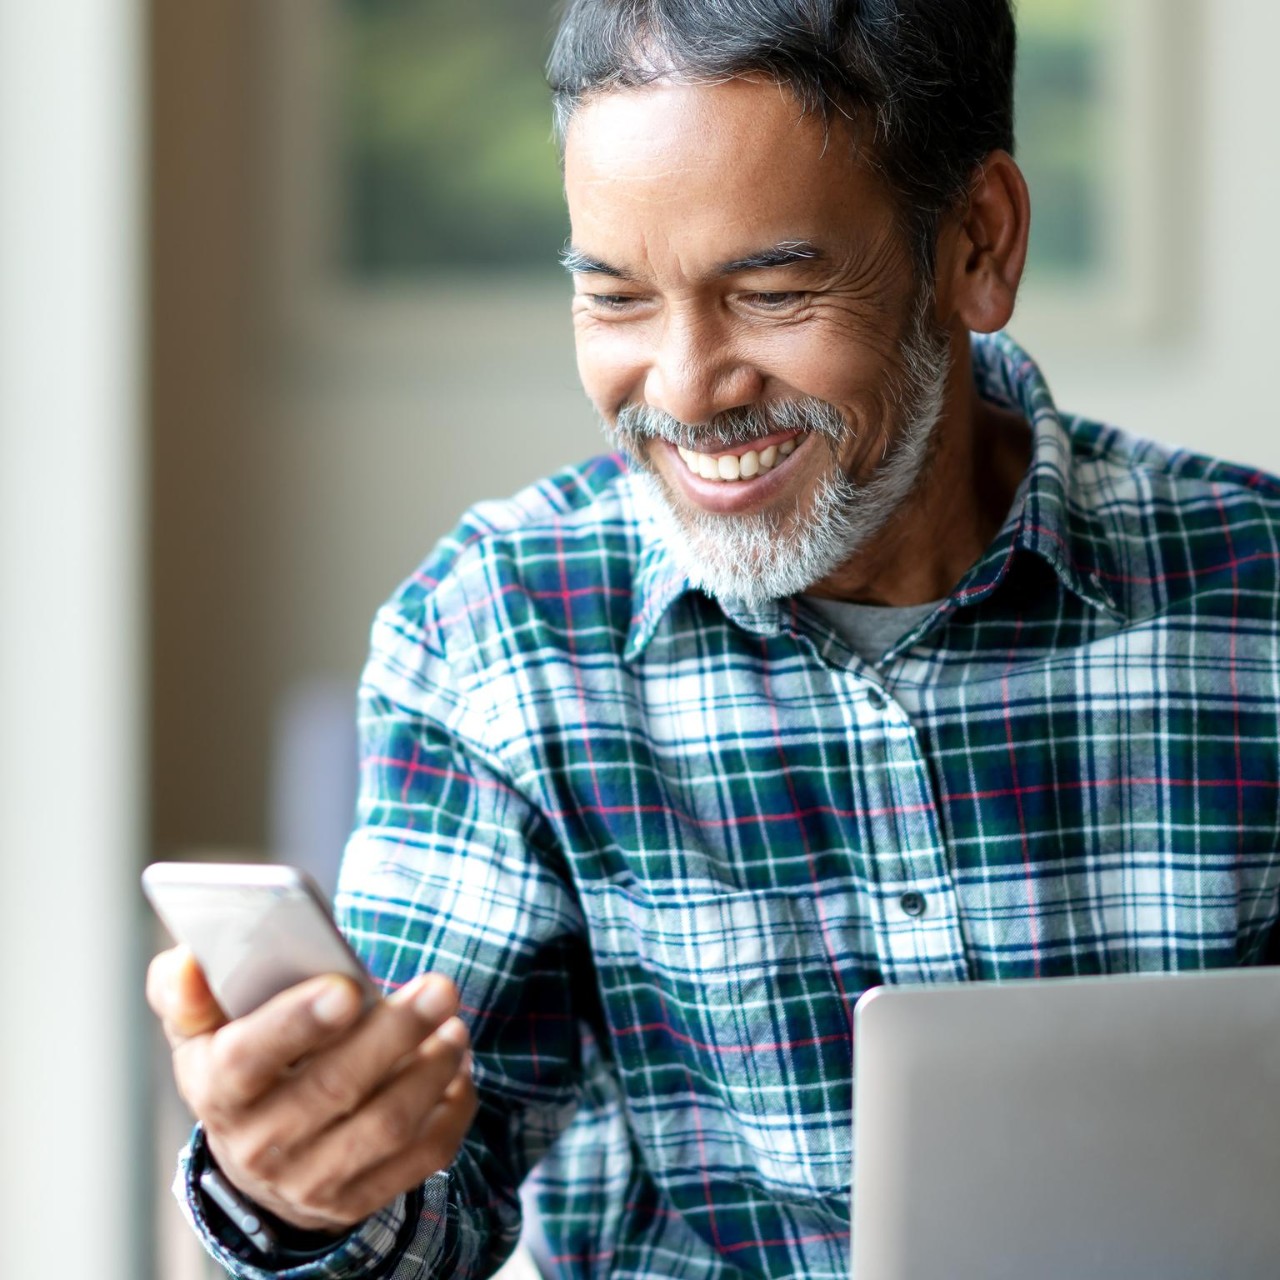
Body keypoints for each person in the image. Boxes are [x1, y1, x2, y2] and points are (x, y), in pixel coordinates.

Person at [147, 1, 1280, 1276]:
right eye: (617, 297)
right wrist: (303, 1184)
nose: (685, 390)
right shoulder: (498, 631)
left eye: (772, 291)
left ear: (977, 242)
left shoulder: (1256, 595)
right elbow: (427, 1216)